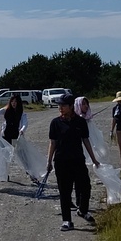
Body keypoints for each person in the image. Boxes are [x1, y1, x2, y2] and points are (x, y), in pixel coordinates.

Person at [47, 94, 101, 231]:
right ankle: (67, 221)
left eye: (63, 105)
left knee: (85, 187)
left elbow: (86, 141)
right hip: (61, 161)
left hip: (78, 160)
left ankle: (82, 210)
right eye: (59, 105)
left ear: (71, 106)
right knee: (65, 191)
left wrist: (94, 159)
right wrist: (49, 161)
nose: (60, 108)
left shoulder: (80, 122)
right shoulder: (55, 123)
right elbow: (52, 143)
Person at [0, 94, 27, 181]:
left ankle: (29, 172)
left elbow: (25, 123)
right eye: (12, 101)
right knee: (4, 154)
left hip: (15, 136)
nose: (14, 103)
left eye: (15, 102)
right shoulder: (6, 110)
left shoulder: (21, 113)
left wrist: (22, 130)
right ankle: (5, 173)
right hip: (5, 136)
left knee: (18, 153)